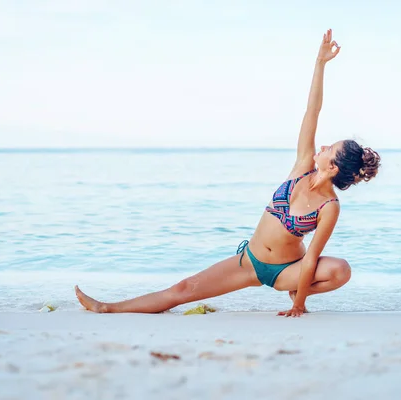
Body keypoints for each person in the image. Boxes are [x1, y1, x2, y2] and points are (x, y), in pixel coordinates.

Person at [75, 28, 381, 317]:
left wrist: (299, 304)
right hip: (248, 260)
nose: (323, 146)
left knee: (340, 269)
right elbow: (311, 112)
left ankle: (293, 293)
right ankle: (107, 308)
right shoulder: (303, 166)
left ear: (334, 167)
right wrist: (320, 63)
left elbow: (312, 256)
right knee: (183, 289)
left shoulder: (330, 206)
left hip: (285, 270)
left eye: (330, 148)